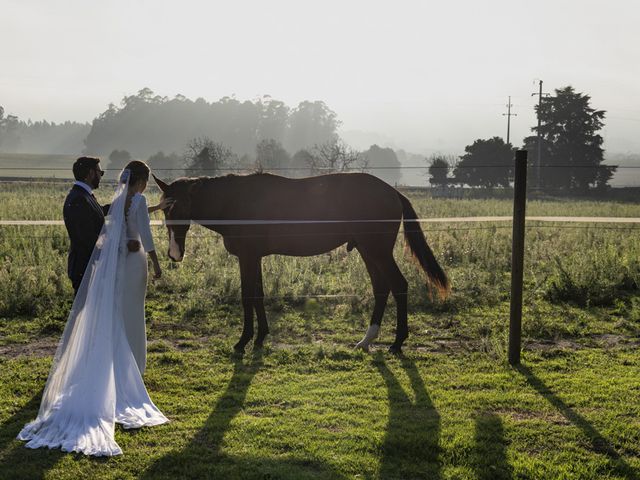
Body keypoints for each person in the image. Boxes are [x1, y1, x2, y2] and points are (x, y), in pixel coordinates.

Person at [17, 160, 169, 456]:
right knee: (124, 318)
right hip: (121, 264)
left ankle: (113, 369)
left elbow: (122, 216)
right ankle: (127, 372)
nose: (102, 175)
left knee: (115, 318)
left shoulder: (111, 200)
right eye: (98, 171)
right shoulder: (98, 200)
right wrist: (153, 260)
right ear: (142, 180)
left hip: (120, 264)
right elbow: (133, 232)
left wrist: (152, 213)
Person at [63, 156, 170, 295]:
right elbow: (145, 233)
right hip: (94, 263)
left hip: (113, 261)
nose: (101, 176)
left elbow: (127, 211)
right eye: (100, 173)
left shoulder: (94, 198)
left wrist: (156, 207)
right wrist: (155, 262)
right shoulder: (80, 199)